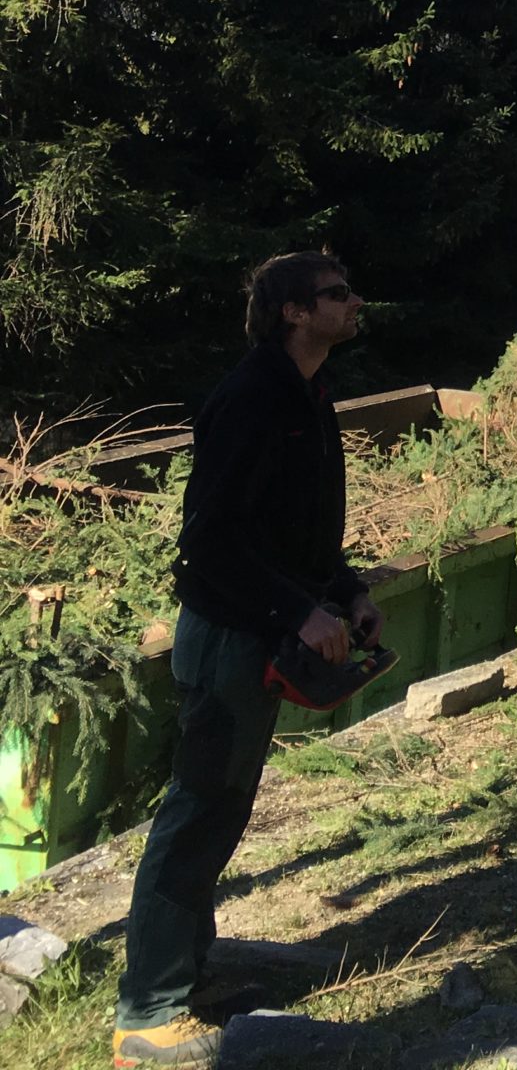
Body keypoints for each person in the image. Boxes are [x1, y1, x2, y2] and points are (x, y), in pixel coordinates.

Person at [113, 253, 381, 1069]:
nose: (353, 302)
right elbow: (211, 541)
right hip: (228, 635)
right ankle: (146, 1016)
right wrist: (296, 611)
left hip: (261, 628)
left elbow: (298, 528)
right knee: (197, 813)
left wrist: (344, 589)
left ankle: (187, 980)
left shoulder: (311, 392)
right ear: (294, 311)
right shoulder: (251, 399)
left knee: (222, 810)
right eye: (338, 294)